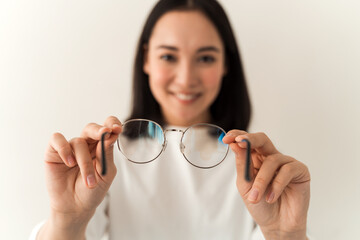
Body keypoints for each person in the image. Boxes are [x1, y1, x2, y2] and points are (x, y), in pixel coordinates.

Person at [30, 0, 311, 239]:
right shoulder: (107, 161)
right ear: (146, 60)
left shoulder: (258, 170)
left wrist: (285, 235)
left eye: (205, 58)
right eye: (168, 56)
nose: (186, 79)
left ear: (226, 63)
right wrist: (66, 218)